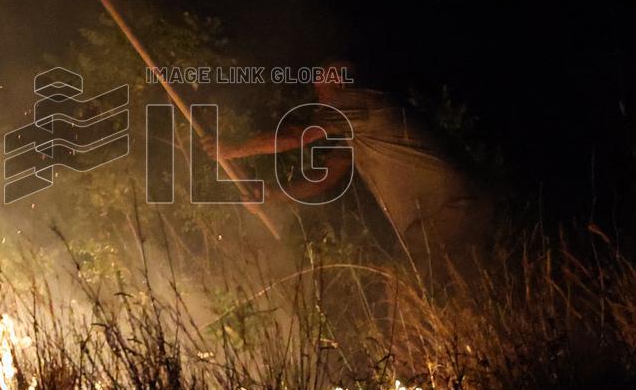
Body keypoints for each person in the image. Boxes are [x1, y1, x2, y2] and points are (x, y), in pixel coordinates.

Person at [205, 62, 494, 286]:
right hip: (465, 204)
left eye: (322, 90)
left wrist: (230, 150)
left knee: (405, 288)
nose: (319, 98)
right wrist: (274, 196)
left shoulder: (361, 102)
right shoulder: (363, 127)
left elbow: (297, 136)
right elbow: (328, 176)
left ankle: (411, 357)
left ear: (341, 83)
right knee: (466, 292)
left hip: (450, 207)